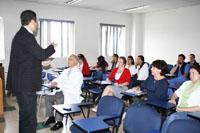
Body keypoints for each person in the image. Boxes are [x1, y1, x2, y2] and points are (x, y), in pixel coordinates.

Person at [6, 10, 57, 133]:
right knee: (29, 119)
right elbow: (41, 53)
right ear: (32, 21)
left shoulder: (21, 35)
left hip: (22, 84)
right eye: (37, 22)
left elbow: (25, 59)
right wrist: (52, 46)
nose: (37, 25)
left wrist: (39, 63)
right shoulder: (26, 36)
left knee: (25, 117)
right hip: (25, 85)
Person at [161, 65, 200, 133]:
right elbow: (176, 93)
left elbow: (198, 108)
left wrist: (182, 109)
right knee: (168, 119)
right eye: (190, 73)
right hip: (179, 110)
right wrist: (173, 99)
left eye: (193, 73)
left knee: (172, 119)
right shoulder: (187, 83)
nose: (191, 75)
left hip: (192, 114)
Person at [49, 55, 83, 131]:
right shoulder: (66, 70)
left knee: (60, 101)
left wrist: (58, 84)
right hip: (64, 92)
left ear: (75, 62)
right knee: (49, 97)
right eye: (68, 59)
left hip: (72, 95)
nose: (68, 61)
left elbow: (71, 86)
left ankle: (64, 125)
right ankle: (54, 119)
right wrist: (54, 81)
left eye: (70, 59)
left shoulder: (78, 73)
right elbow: (59, 78)